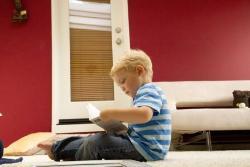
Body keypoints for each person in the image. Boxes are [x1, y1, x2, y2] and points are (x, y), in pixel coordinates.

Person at [38, 49, 171, 161]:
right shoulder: (142, 94)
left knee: (96, 143)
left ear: (139, 71)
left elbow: (145, 115)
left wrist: (111, 113)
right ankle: (56, 148)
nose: (123, 88)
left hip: (147, 149)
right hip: (138, 143)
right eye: (120, 86)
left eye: (123, 81)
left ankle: (64, 153)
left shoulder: (149, 89)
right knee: (94, 138)